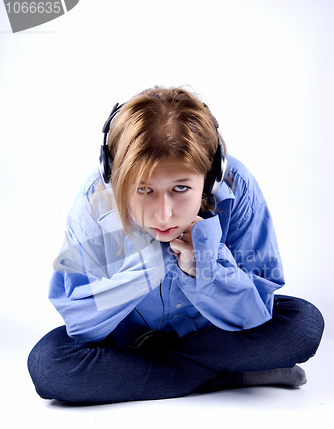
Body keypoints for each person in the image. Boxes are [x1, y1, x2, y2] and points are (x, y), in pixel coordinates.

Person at [28, 86, 324, 404]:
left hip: (210, 332)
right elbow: (79, 319)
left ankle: (141, 374)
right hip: (124, 338)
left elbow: (254, 313)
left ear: (210, 177)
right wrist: (147, 263)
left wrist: (205, 265)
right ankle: (231, 375)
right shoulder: (98, 200)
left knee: (303, 324)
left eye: (181, 187)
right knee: (49, 365)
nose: (164, 212)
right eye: (143, 189)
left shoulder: (236, 188)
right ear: (114, 177)